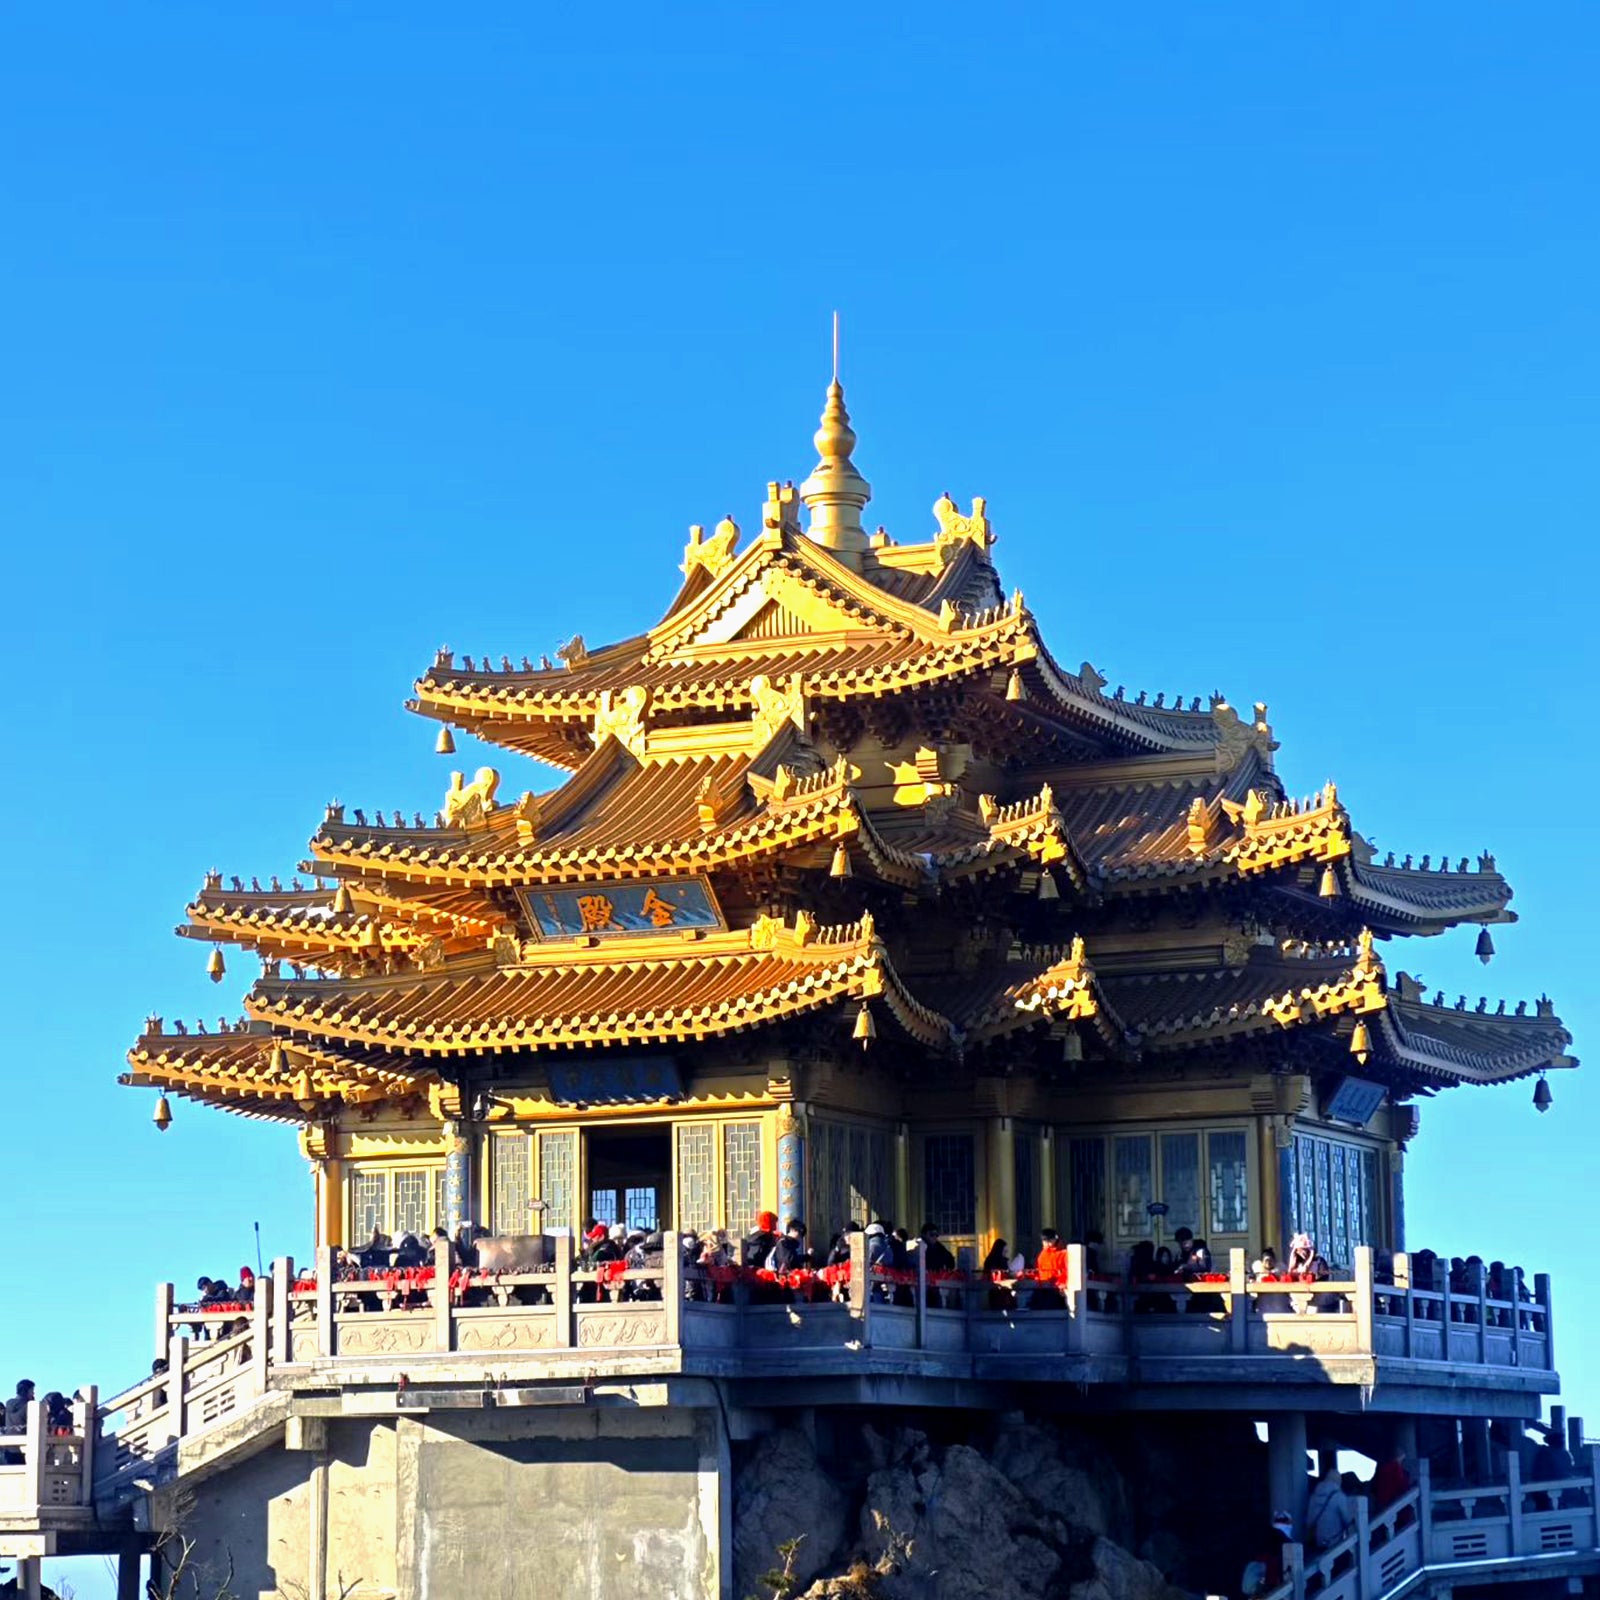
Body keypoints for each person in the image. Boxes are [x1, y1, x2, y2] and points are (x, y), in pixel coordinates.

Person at [1306, 1461, 1356, 1550]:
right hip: (1333, 1541)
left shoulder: (1314, 1496)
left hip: (1316, 1541)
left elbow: (1309, 1521)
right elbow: (1348, 1519)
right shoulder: (1338, 1496)